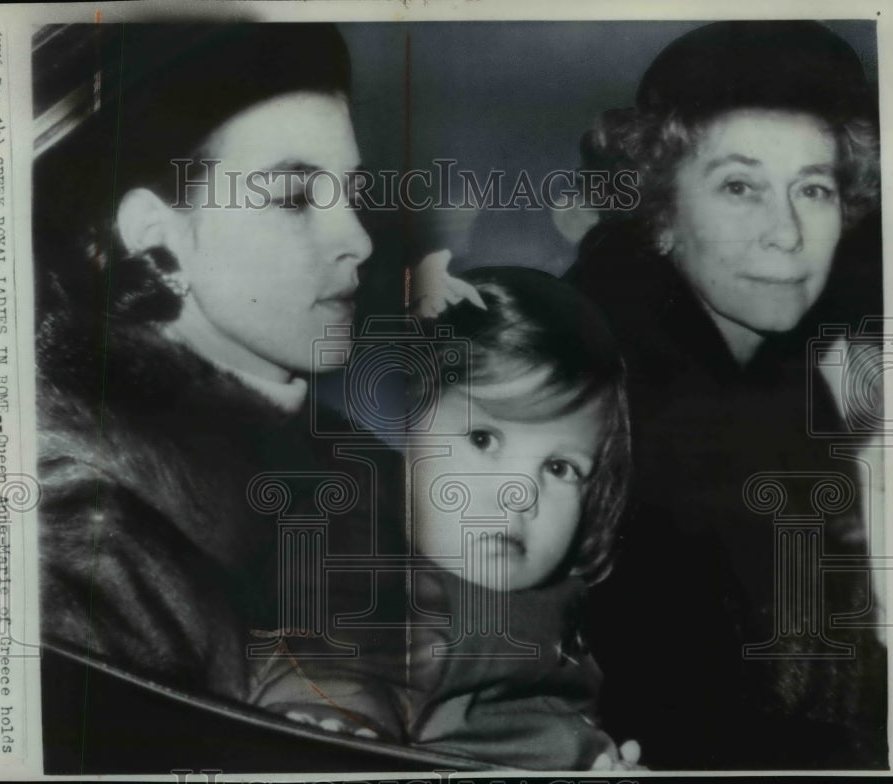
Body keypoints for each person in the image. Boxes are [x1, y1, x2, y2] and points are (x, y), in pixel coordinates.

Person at [33, 24, 404, 771]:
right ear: (154, 242)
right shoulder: (81, 529)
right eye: (295, 196)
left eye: (351, 194)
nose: (358, 239)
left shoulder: (371, 472)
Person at [564, 21, 885, 769]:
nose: (788, 233)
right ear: (661, 214)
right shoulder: (591, 383)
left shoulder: (788, 381)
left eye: (814, 188)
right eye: (740, 186)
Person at [250, 263, 640, 770]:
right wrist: (336, 727)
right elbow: (335, 674)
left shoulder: (560, 612)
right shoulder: (383, 587)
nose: (520, 493)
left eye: (561, 467)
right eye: (482, 439)